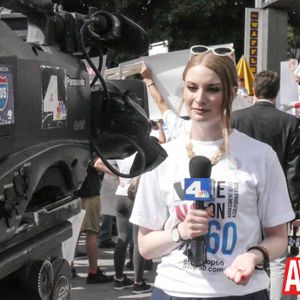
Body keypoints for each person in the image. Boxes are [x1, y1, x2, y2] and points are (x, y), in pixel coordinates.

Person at [130, 50, 295, 299]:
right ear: (183, 91)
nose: (200, 98)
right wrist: (180, 232)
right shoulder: (163, 157)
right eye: (192, 87)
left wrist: (254, 255)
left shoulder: (261, 156)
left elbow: (278, 239)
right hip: (175, 290)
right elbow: (145, 246)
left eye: (212, 89)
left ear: (230, 92)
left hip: (242, 291)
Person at [231, 70, 300, 300]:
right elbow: (294, 168)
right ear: (276, 93)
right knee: (279, 259)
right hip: (277, 197)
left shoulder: (237, 118)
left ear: (254, 90)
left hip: (242, 193)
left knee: (243, 247)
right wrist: (295, 208)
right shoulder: (290, 123)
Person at [73, 158, 114, 284]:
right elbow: (97, 163)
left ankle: (70, 267)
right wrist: (118, 173)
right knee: (91, 232)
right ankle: (93, 271)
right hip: (88, 193)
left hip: (71, 192)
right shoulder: (88, 141)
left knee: (73, 235)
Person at [140, 62, 191, 141]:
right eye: (192, 88)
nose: (200, 98)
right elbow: (160, 102)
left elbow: (160, 102)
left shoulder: (180, 128)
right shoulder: (181, 127)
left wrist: (148, 79)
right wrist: (148, 79)